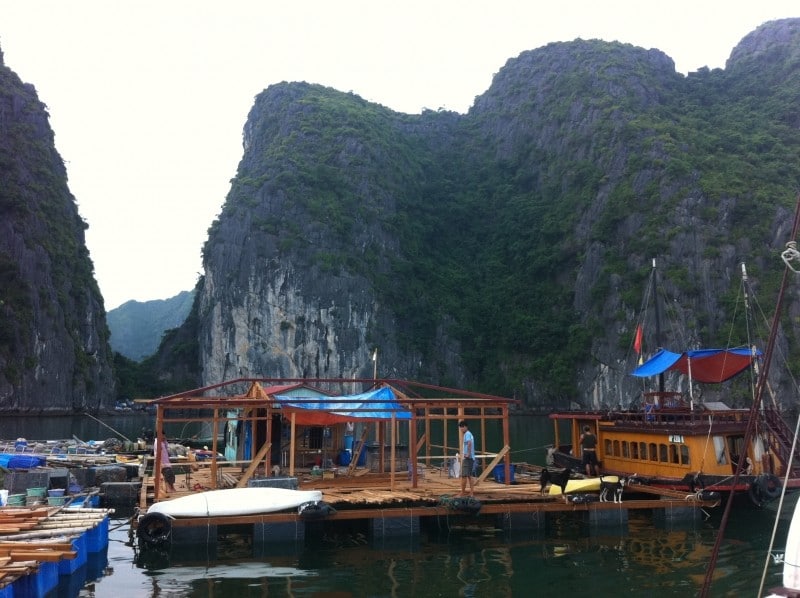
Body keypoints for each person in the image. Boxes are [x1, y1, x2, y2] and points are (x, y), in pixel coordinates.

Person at [458, 420, 476, 496]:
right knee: (469, 475)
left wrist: (468, 453)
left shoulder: (467, 434)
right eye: (460, 428)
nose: (461, 429)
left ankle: (462, 492)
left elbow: (469, 443)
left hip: (468, 458)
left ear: (465, 427)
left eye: (462, 427)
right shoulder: (469, 434)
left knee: (464, 475)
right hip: (471, 458)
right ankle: (471, 493)